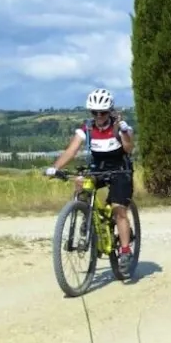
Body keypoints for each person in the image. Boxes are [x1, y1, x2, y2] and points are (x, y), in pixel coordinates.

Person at [45, 88, 137, 272]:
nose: (99, 116)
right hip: (98, 168)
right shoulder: (86, 128)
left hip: (120, 169)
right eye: (95, 112)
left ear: (110, 111)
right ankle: (86, 217)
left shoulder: (120, 126)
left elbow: (128, 148)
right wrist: (55, 168)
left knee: (119, 209)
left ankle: (125, 250)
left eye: (103, 112)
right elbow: (71, 151)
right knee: (80, 182)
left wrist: (125, 132)